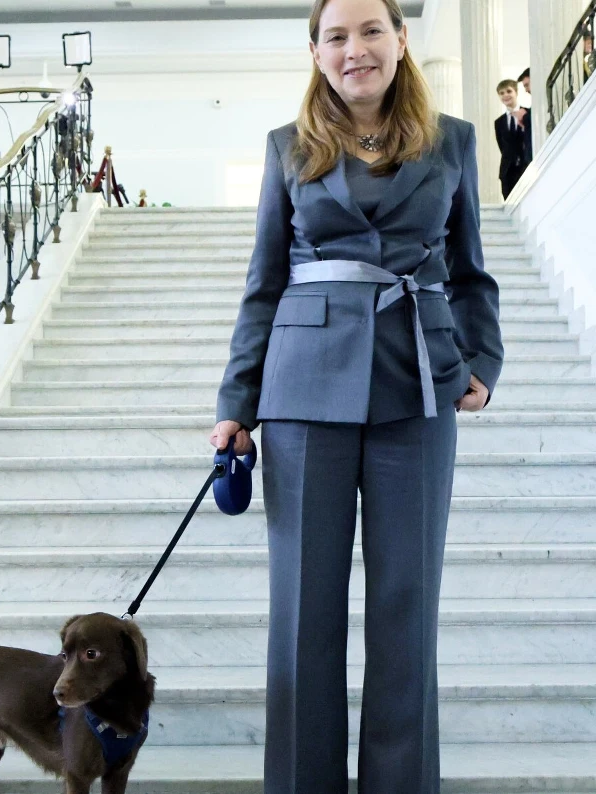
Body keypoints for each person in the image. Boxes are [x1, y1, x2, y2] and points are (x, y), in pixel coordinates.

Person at [209, 0, 503, 791]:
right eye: (335, 35)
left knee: (407, 610)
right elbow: (263, 284)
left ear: (401, 41)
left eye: (371, 30)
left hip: (419, 382)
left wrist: (482, 358)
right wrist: (237, 403)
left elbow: (471, 269)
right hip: (304, 389)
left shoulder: (454, 142)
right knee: (303, 613)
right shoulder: (285, 148)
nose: (355, 48)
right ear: (315, 52)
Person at [495, 77, 532, 199]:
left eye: (509, 91)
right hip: (507, 172)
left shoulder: (528, 113)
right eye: (501, 93)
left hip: (526, 167)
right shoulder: (499, 122)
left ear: (516, 92)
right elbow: (502, 147)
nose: (505, 95)